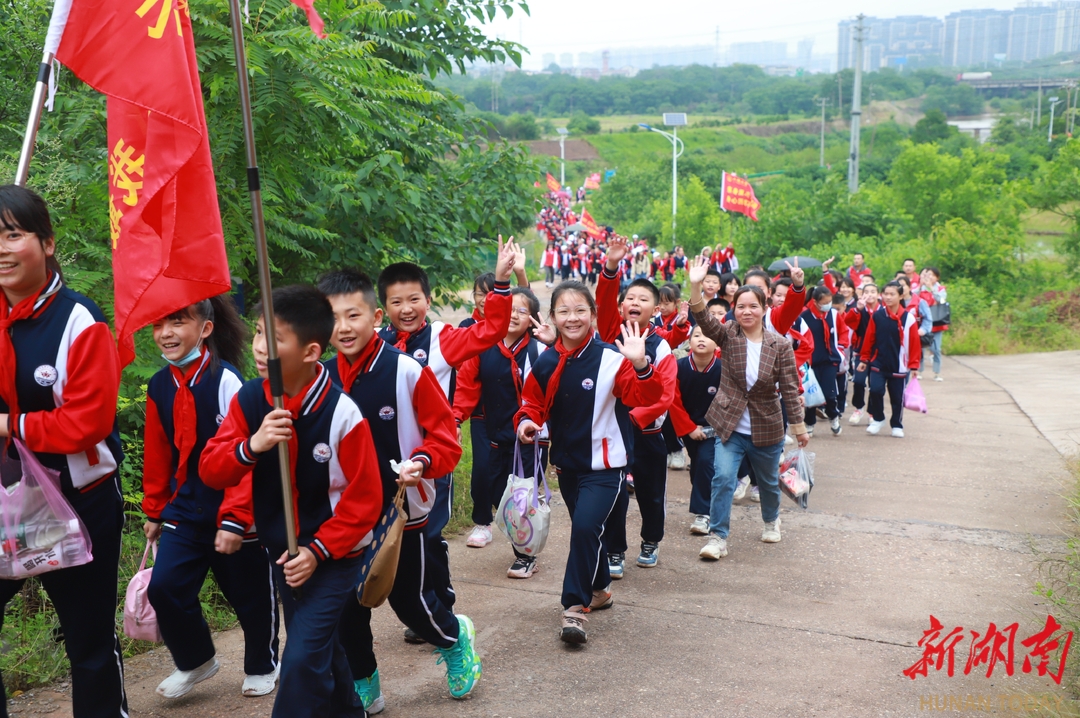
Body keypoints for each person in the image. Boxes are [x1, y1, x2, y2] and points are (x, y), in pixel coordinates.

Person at [201, 285, 382, 718]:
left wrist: (319, 551)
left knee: (300, 659)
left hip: (335, 556)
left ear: (311, 351)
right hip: (282, 551)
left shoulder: (342, 414)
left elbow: (364, 502)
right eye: (260, 333)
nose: (261, 348)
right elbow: (212, 468)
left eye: (276, 338)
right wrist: (253, 445)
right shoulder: (249, 399)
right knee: (321, 650)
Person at [317, 270, 478, 711]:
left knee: (414, 605)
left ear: (374, 316)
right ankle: (364, 680)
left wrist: (421, 463)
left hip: (403, 513)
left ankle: (454, 640)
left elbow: (445, 437)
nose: (344, 327)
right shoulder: (319, 377)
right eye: (334, 317)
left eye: (354, 314)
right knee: (349, 609)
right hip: (343, 518)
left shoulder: (405, 370)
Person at [0, 185, 128, 718]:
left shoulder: (79, 320)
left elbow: (87, 422)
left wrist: (11, 425)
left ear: (47, 243)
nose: (2, 249)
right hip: (6, 500)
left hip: (75, 501)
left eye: (13, 235)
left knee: (88, 640)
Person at [374, 237, 516, 640]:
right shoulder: (375, 345)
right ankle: (420, 607)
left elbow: (490, 331)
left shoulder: (443, 339)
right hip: (384, 461)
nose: (406, 309)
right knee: (391, 540)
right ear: (384, 308)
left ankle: (441, 607)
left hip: (431, 460)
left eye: (414, 299)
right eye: (397, 302)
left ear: (428, 299)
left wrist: (502, 284)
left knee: (429, 536)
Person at [143, 296, 280, 700]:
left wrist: (236, 518)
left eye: (177, 322)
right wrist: (154, 509)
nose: (165, 333)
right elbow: (158, 453)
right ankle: (196, 660)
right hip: (184, 509)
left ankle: (262, 664)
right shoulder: (158, 385)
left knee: (250, 595)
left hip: (233, 511)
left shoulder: (228, 381)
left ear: (205, 329)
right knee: (164, 587)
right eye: (158, 325)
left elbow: (243, 455)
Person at [515, 283, 662, 644]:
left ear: (593, 315)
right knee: (588, 532)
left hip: (607, 469)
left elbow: (646, 397)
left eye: (580, 310)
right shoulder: (549, 361)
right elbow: (531, 401)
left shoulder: (615, 358)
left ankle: (573, 609)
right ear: (553, 318)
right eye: (563, 311)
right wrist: (526, 422)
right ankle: (600, 590)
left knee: (583, 528)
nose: (572, 318)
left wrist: (640, 363)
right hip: (566, 467)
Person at [686, 256, 809, 561]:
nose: (746, 311)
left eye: (753, 305)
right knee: (723, 479)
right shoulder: (728, 335)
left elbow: (790, 390)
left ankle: (771, 519)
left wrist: (799, 428)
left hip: (766, 428)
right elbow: (702, 316)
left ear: (765, 308)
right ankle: (718, 537)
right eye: (741, 306)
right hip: (730, 427)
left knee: (768, 483)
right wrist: (695, 284)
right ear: (734, 310)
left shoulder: (779, 344)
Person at [454, 288, 548, 578]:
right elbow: (467, 386)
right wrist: (456, 420)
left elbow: (552, 391)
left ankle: (525, 556)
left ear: (531, 319)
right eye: (510, 309)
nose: (514, 316)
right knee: (497, 490)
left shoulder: (540, 350)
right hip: (495, 433)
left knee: (523, 498)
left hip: (530, 437)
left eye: (522, 311)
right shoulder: (483, 347)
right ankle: (514, 534)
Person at [596, 240, 678, 575]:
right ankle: (615, 551)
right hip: (614, 433)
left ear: (655, 308)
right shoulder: (609, 335)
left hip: (647, 434)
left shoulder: (661, 349)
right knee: (614, 495)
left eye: (643, 299)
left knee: (650, 494)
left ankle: (651, 540)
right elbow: (602, 301)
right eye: (630, 298)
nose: (635, 303)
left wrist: (633, 417)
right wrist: (611, 268)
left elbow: (665, 395)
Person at [669, 325, 723, 536]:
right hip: (688, 427)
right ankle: (704, 497)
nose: (701, 339)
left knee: (705, 462)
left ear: (717, 344)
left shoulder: (723, 369)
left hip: (714, 428)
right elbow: (673, 401)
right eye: (697, 335)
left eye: (708, 336)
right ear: (689, 342)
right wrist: (689, 428)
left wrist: (713, 427)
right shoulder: (678, 366)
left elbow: (728, 401)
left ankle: (703, 514)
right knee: (698, 464)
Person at [857, 282, 920, 438]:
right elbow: (869, 338)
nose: (888, 297)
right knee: (876, 391)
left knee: (897, 398)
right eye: (886, 294)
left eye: (892, 294)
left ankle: (897, 425)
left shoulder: (909, 318)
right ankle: (878, 418)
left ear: (901, 296)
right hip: (878, 362)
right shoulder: (878, 316)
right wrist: (864, 359)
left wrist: (914, 365)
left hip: (899, 365)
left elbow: (914, 343)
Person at [799, 285, 844, 436]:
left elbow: (843, 333)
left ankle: (833, 416)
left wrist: (841, 350)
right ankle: (810, 422)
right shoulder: (804, 317)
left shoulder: (834, 314)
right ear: (815, 302)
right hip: (811, 362)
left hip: (829, 360)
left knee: (829, 394)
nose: (828, 304)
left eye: (829, 301)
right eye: (825, 302)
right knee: (811, 394)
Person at [846, 282, 879, 426]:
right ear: (862, 294)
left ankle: (872, 412)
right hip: (860, 351)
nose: (870, 295)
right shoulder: (858, 309)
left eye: (873, 292)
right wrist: (857, 310)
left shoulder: (883, 310)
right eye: (867, 292)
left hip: (878, 353)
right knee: (859, 381)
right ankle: (859, 408)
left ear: (879, 294)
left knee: (875, 384)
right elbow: (849, 322)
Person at [918, 266, 947, 381]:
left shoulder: (940, 289)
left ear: (937, 277)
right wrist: (921, 286)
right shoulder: (921, 288)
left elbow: (941, 300)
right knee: (920, 348)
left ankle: (937, 372)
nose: (929, 277)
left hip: (937, 321)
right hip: (923, 322)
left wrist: (932, 289)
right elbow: (914, 297)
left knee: (936, 349)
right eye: (927, 274)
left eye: (932, 275)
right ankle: (919, 370)